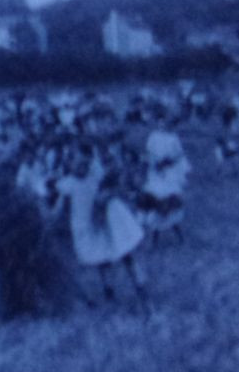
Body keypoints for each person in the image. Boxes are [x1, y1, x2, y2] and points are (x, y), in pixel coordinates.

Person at [58, 144, 148, 310]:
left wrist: (108, 193)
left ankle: (144, 298)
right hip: (87, 225)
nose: (82, 168)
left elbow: (112, 184)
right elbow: (60, 206)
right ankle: (109, 295)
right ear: (69, 165)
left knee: (126, 255)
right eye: (77, 164)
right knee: (101, 258)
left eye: (85, 164)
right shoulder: (68, 184)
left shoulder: (96, 176)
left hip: (108, 221)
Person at [138, 125, 192, 244]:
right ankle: (155, 239)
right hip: (155, 175)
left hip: (168, 176)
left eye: (165, 121)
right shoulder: (153, 136)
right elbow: (148, 154)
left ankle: (179, 236)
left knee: (168, 205)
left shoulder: (173, 138)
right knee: (154, 203)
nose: (162, 124)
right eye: (159, 121)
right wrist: (152, 163)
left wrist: (166, 163)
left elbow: (179, 156)